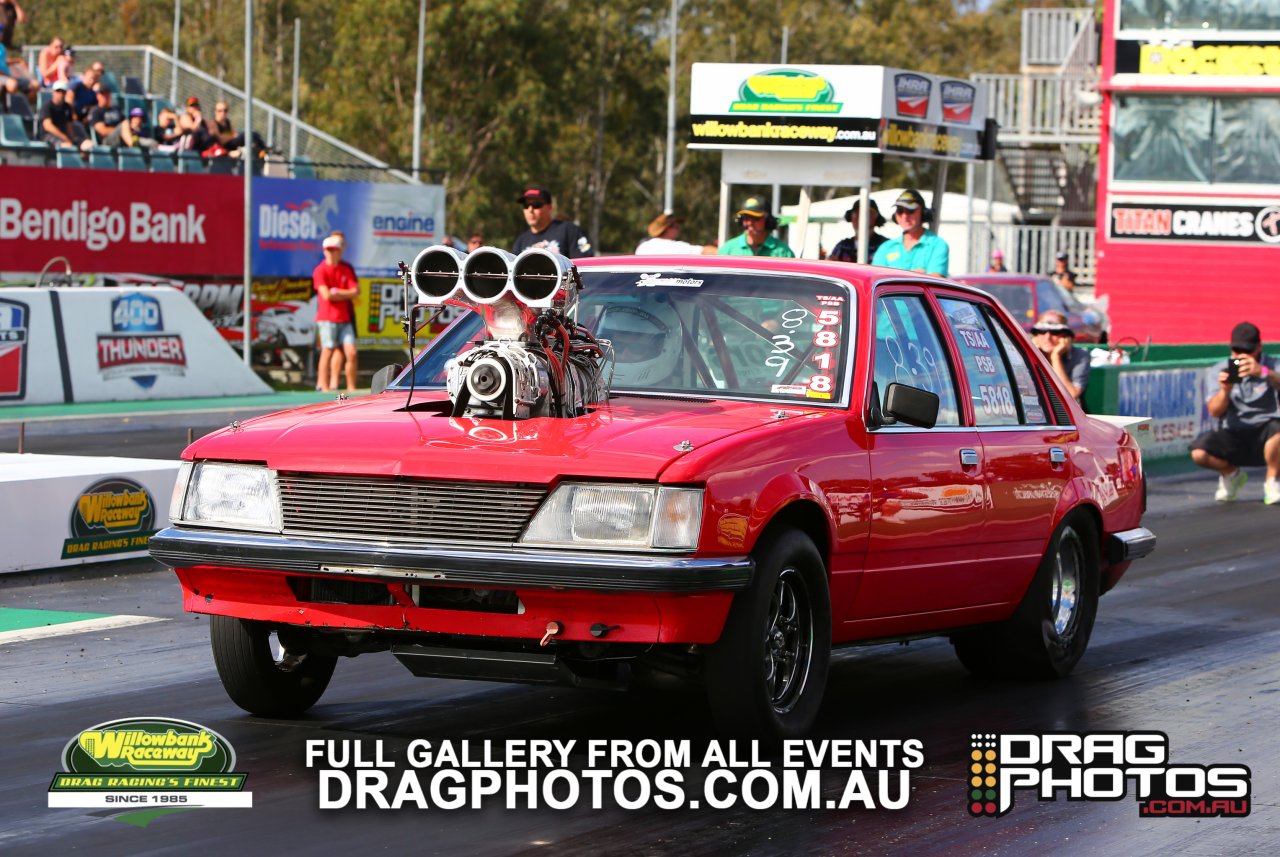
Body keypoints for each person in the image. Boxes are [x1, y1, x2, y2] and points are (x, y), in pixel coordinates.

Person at [1189, 322, 1280, 505]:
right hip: (1234, 432)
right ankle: (1232, 474)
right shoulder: (1220, 370)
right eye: (1237, 351)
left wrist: (1264, 373)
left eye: (1247, 351)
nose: (1242, 356)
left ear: (1259, 348)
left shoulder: (1273, 365)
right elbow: (1215, 411)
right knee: (1199, 452)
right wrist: (1225, 390)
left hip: (1266, 429)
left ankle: (1272, 482)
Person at [312, 232, 360, 393]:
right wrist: (344, 293)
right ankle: (323, 386)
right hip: (327, 318)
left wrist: (337, 292)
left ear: (340, 251)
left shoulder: (346, 268)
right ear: (324, 251)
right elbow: (326, 295)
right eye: (328, 250)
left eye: (334, 249)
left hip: (344, 318)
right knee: (328, 350)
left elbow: (356, 291)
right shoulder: (320, 270)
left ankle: (351, 387)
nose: (331, 253)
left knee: (351, 352)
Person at [871, 189, 949, 276]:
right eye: (900, 211)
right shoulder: (886, 248)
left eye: (910, 210)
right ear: (895, 215)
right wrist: (918, 276)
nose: (904, 216)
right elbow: (875, 279)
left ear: (923, 213)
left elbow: (936, 280)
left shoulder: (937, 245)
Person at [512, 185, 593, 258]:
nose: (530, 210)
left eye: (536, 205)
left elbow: (585, 264)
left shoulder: (568, 230)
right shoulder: (521, 242)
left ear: (550, 207)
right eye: (526, 205)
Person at [1031, 310, 1089, 402]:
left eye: (1055, 332)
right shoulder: (1026, 353)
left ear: (1065, 336)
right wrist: (1033, 354)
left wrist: (1056, 357)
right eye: (1042, 331)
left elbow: (1071, 395)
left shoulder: (1080, 356)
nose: (1047, 337)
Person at [717, 197, 794, 257]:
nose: (750, 223)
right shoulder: (728, 250)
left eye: (755, 218)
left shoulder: (783, 252)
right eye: (746, 218)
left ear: (768, 221)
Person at [827, 199, 887, 263]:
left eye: (867, 214)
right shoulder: (842, 246)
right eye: (857, 214)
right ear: (851, 217)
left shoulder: (885, 245)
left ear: (876, 218)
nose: (861, 218)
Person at [37, 81, 90, 149]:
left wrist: (71, 138)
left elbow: (69, 125)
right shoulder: (47, 107)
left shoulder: (67, 107)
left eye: (63, 91)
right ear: (53, 92)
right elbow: (48, 126)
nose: (60, 94)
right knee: (67, 147)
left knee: (88, 145)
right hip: (48, 136)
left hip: (65, 136)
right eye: (58, 91)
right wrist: (64, 137)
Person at [635, 212, 716, 255]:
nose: (679, 229)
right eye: (675, 226)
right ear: (666, 229)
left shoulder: (642, 247)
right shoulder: (674, 247)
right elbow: (704, 251)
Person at [0, 22, 37, 103]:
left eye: (1, 31)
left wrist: (19, 60)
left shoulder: (2, 47)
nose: (1, 34)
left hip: (8, 76)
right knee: (13, 85)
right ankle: (13, 108)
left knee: (35, 85)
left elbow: (4, 61)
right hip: (3, 77)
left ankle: (26, 110)